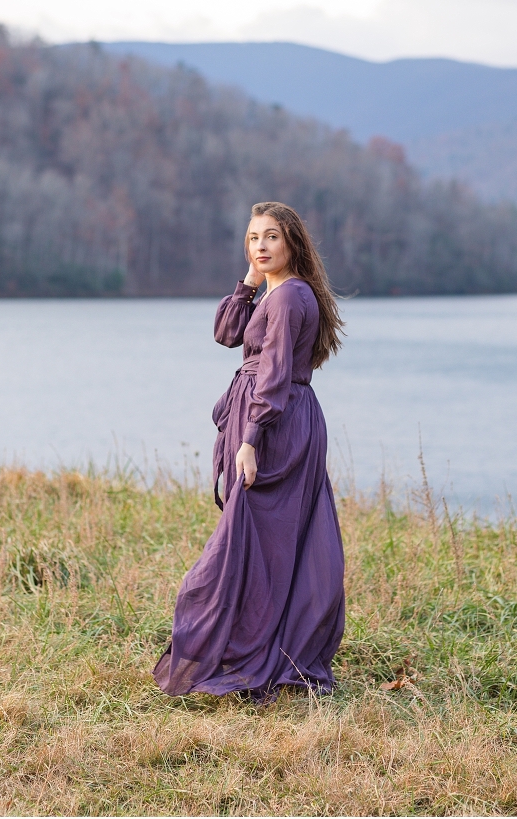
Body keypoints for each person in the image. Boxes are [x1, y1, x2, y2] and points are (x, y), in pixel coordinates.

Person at [153, 201, 346, 701]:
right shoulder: (279, 293)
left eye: (271, 238)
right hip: (283, 418)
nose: (260, 246)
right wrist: (250, 281)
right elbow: (225, 334)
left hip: (274, 427)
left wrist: (249, 440)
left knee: (255, 543)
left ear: (292, 243)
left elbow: (276, 374)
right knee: (272, 543)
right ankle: (274, 650)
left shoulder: (287, 300)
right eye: (252, 238)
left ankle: (247, 650)